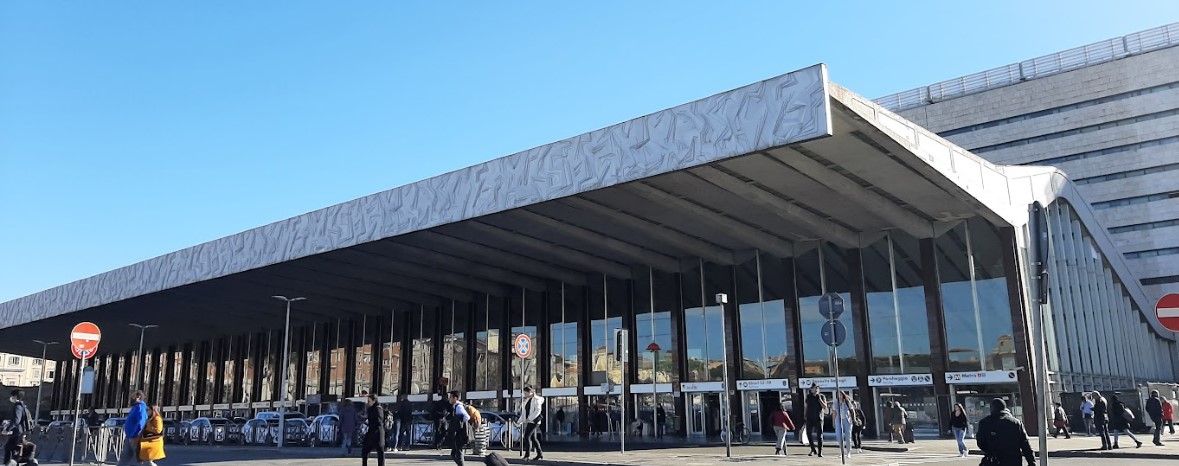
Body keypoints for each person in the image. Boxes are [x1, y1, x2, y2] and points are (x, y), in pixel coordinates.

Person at [977, 398, 1035, 466]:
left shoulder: (984, 423)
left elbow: (981, 443)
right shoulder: (1016, 423)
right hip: (1013, 460)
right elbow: (1025, 444)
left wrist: (990, 450)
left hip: (994, 459)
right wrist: (1031, 461)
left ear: (991, 408)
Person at [116, 390, 148, 466]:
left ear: (138, 397)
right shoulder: (135, 407)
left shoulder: (140, 407)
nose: (131, 398)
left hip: (135, 437)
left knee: (140, 459)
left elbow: (141, 422)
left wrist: (135, 435)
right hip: (130, 436)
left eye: (133, 396)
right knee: (124, 458)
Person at [2, 389, 31, 466]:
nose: (11, 398)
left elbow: (16, 421)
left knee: (10, 448)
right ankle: (14, 463)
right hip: (20, 432)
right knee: (13, 448)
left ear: (15, 396)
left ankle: (12, 463)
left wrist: (7, 429)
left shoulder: (18, 407)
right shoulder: (22, 406)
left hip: (18, 432)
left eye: (12, 396)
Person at [517, 386, 544, 461]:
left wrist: (530, 418)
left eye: (525, 393)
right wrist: (519, 421)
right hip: (530, 421)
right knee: (533, 438)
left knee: (527, 436)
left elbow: (538, 411)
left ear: (530, 392)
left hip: (534, 421)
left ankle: (527, 455)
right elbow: (524, 412)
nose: (524, 395)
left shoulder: (536, 399)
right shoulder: (527, 400)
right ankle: (539, 454)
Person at [445, 391, 470, 466]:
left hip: (460, 433)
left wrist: (461, 425)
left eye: (450, 397)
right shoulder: (455, 406)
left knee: (458, 453)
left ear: (455, 398)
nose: (449, 399)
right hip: (458, 433)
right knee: (454, 453)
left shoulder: (458, 407)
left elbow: (467, 417)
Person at [361, 394, 386, 466]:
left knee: (379, 451)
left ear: (374, 400)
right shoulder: (377, 408)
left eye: (369, 401)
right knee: (367, 450)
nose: (368, 403)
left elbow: (378, 421)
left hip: (376, 432)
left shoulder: (377, 409)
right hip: (375, 432)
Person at [804, 384, 826, 457]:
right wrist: (805, 415)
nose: (816, 389)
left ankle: (820, 451)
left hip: (819, 418)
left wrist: (819, 399)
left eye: (817, 388)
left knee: (819, 435)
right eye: (814, 388)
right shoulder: (809, 397)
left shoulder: (821, 396)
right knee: (808, 434)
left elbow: (824, 407)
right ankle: (813, 449)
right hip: (810, 417)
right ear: (811, 389)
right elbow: (806, 406)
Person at [833, 391, 853, 456]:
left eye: (841, 395)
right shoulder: (836, 402)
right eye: (838, 395)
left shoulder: (847, 401)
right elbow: (834, 412)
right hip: (838, 420)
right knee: (839, 436)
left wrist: (854, 419)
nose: (840, 396)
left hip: (847, 419)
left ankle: (848, 452)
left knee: (848, 436)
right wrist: (833, 422)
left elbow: (852, 410)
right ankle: (842, 452)